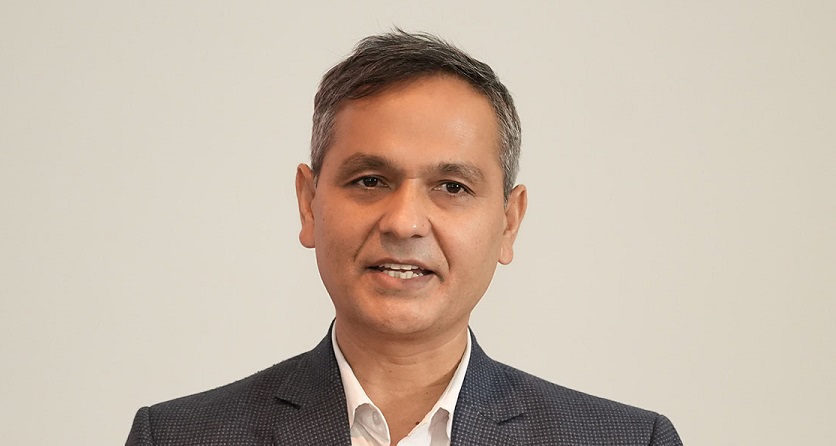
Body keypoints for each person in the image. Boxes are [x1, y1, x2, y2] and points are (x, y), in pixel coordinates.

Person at [126, 30, 683, 446]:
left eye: (452, 187)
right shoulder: (176, 436)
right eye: (370, 181)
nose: (403, 222)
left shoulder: (631, 441)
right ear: (309, 203)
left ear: (508, 222)